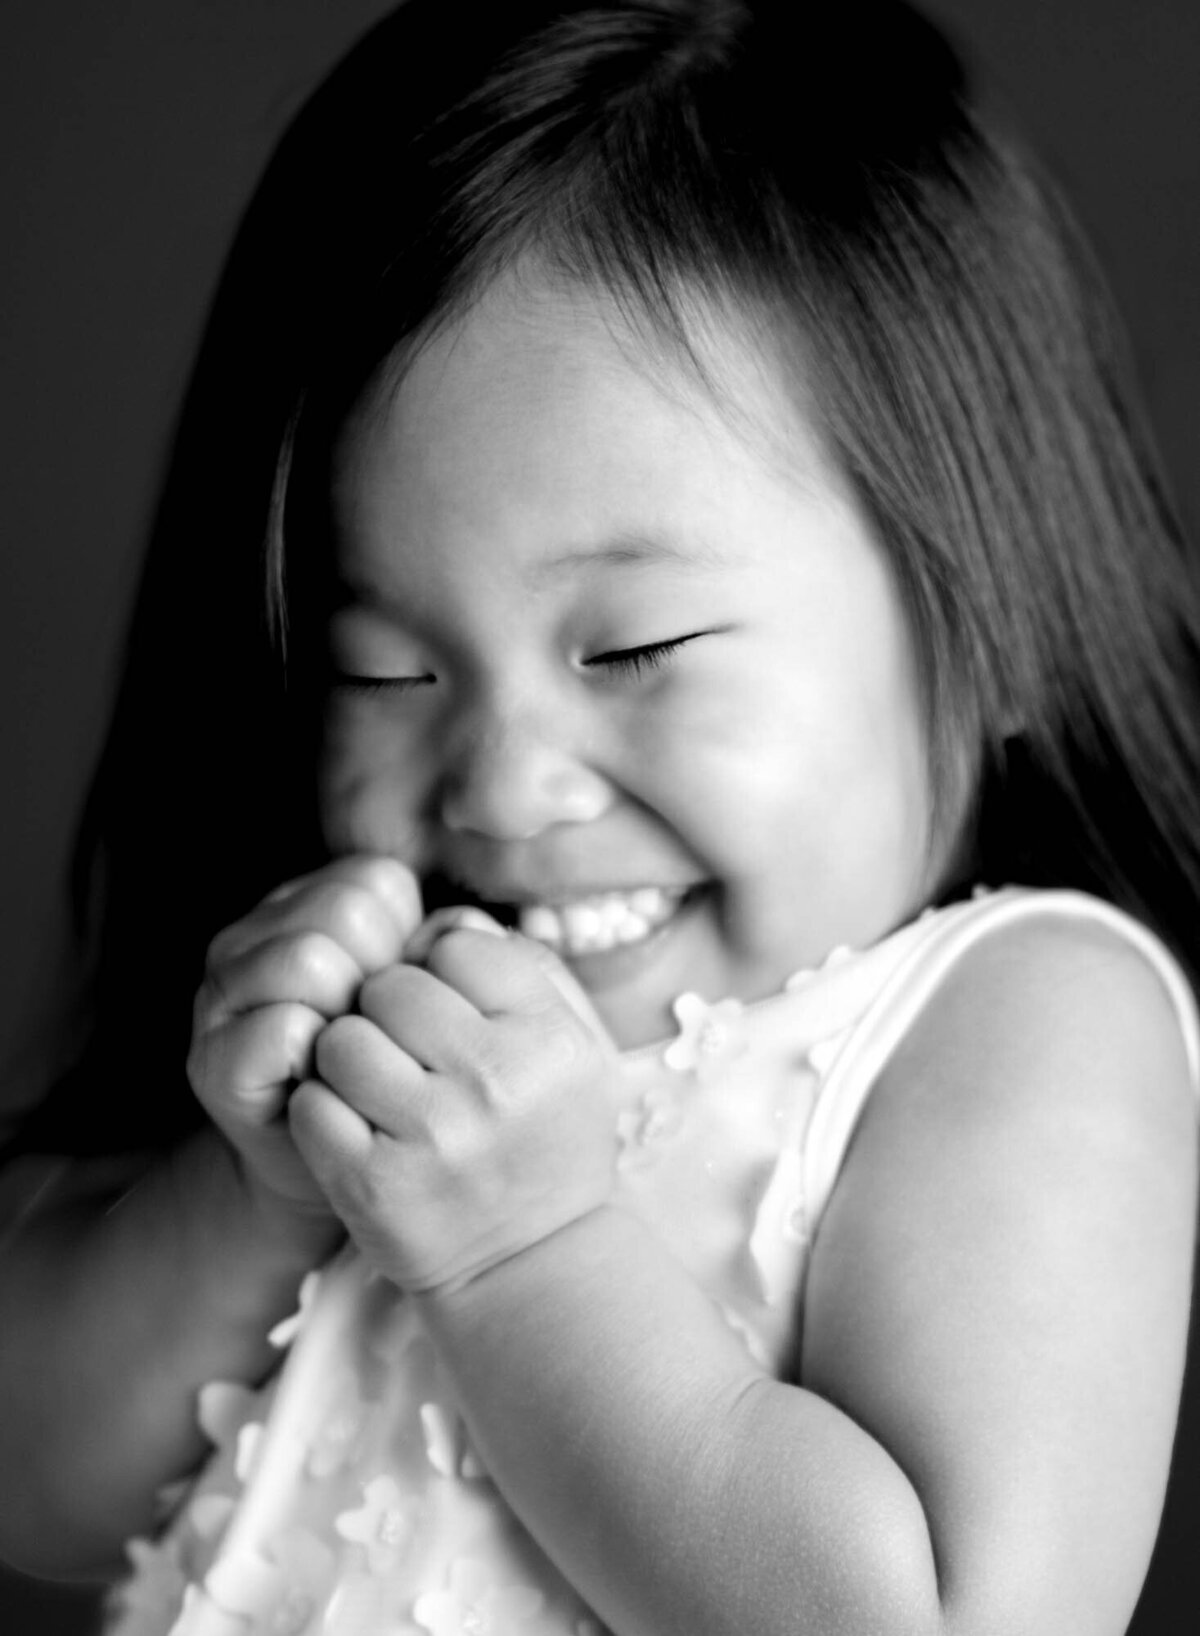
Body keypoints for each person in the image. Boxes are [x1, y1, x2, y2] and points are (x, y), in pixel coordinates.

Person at [3, 2, 1200, 1632]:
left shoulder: (1020, 1019)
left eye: (634, 650)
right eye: (386, 669)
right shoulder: (380, 1036)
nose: (499, 784)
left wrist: (525, 1254)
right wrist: (252, 1197)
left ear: (985, 606)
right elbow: (33, 1489)